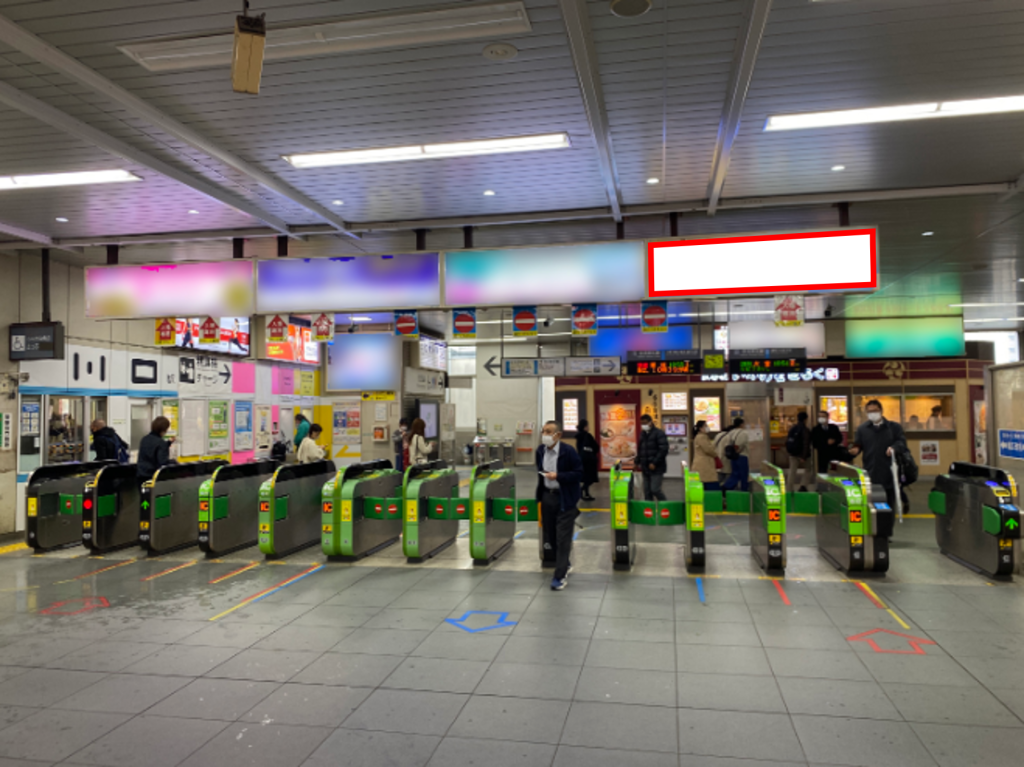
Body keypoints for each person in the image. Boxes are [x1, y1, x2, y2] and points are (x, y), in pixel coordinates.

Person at [535, 421, 583, 591]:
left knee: (563, 538)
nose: (545, 435)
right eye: (543, 431)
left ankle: (559, 576)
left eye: (549, 432)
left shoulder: (568, 452)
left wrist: (559, 476)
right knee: (551, 535)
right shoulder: (540, 451)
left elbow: (578, 473)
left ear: (558, 435)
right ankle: (564, 563)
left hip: (565, 499)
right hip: (547, 497)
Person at [849, 399, 907, 510]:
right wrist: (854, 450)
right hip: (871, 472)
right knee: (873, 506)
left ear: (881, 411)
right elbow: (858, 445)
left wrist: (894, 448)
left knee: (888, 506)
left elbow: (902, 442)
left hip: (889, 473)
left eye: (875, 411)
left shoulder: (893, 427)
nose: (872, 414)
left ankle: (888, 521)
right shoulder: (862, 429)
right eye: (869, 411)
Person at [636, 414, 669, 501]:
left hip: (657, 468)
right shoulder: (642, 434)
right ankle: (649, 508)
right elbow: (640, 449)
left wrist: (654, 463)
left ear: (650, 423)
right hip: (645, 467)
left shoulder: (659, 433)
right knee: (647, 491)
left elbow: (663, 450)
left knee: (655, 489)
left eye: (645, 423)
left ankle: (665, 505)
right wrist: (637, 461)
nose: (643, 425)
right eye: (641, 423)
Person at [137, 416, 175, 481]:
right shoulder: (161, 443)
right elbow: (163, 463)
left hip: (141, 475)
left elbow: (152, 449)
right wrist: (173, 463)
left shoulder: (145, 439)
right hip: (153, 477)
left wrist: (168, 443)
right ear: (163, 430)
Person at [785, 412, 812, 492]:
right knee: (808, 469)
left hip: (793, 454)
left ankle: (789, 489)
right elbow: (806, 444)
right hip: (803, 454)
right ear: (805, 419)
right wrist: (804, 456)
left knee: (792, 471)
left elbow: (788, 440)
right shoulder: (805, 430)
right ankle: (803, 486)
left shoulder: (792, 428)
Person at [721, 417, 750, 492]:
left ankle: (727, 487)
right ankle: (743, 490)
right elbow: (740, 444)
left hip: (733, 456)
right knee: (743, 474)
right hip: (742, 456)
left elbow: (727, 444)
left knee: (735, 473)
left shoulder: (731, 432)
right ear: (741, 424)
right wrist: (738, 450)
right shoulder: (744, 433)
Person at [691, 420, 719, 491]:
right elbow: (708, 449)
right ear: (701, 428)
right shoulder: (702, 437)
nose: (707, 427)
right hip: (704, 464)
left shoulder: (700, 436)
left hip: (703, 462)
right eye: (706, 426)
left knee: (704, 482)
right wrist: (715, 454)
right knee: (709, 482)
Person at [576, 419, 599, 501]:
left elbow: (579, 448)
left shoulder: (578, 436)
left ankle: (586, 493)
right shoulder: (588, 436)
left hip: (582, 459)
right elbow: (595, 446)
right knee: (591, 478)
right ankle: (582, 490)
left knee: (586, 478)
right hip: (590, 460)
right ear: (585, 427)